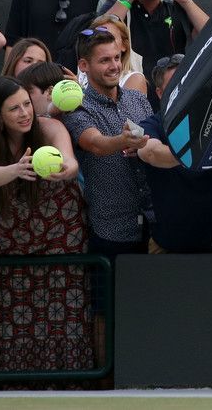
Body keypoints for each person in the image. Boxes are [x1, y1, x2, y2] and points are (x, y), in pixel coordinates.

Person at [0, 76, 92, 377]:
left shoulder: (51, 127)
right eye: (14, 108)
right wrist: (16, 169)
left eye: (27, 104)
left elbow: (71, 163)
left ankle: (67, 382)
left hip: (62, 235)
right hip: (15, 242)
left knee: (65, 315)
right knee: (17, 314)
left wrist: (64, 169)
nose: (25, 113)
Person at [63, 27, 152, 254]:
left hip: (153, 224)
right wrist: (124, 140)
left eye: (117, 58)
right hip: (111, 231)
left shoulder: (138, 99)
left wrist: (145, 146)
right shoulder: (78, 107)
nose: (114, 66)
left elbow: (155, 139)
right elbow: (95, 144)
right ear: (84, 65)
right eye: (104, 60)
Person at [100, 0, 210, 108]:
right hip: (130, 104)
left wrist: (186, 1)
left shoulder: (175, 6)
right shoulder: (118, 4)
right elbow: (100, 34)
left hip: (173, 104)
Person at [137, 54, 212, 254]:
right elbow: (151, 152)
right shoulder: (151, 124)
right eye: (175, 86)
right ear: (159, 93)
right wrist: (199, 152)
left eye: (190, 82)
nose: (185, 91)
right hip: (165, 247)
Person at [77, 15, 148, 96]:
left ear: (124, 45)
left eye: (110, 37)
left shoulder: (135, 79)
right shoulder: (82, 74)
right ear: (84, 65)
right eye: (98, 38)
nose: (114, 66)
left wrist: (80, 94)